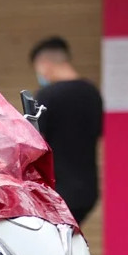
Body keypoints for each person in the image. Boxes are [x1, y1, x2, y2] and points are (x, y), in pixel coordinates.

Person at [30, 36, 103, 223]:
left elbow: (31, 139)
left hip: (58, 192)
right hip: (88, 191)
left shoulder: (47, 95)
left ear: (45, 64)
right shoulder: (92, 92)